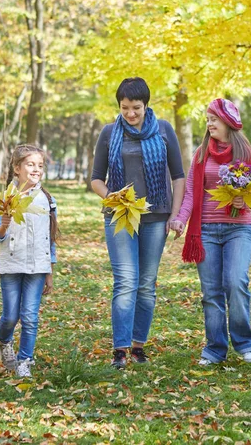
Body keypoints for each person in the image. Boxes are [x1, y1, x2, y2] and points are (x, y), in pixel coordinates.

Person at [91, 77, 185, 368]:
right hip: (120, 217)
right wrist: (113, 197)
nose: (130, 114)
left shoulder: (165, 130)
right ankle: (120, 349)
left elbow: (178, 176)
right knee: (126, 281)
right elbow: (95, 179)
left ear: (146, 105)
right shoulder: (109, 133)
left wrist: (176, 214)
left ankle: (137, 346)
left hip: (156, 217)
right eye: (124, 108)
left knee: (146, 284)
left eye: (136, 107)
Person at [170, 98, 251, 365]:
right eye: (207, 119)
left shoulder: (249, 155)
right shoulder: (201, 155)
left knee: (235, 282)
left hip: (238, 229)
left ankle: (245, 343)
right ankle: (214, 349)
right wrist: (180, 220)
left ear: (229, 122)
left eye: (214, 119)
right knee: (211, 291)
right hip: (205, 230)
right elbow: (189, 194)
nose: (209, 123)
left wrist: (244, 200)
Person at [0, 144, 58, 378]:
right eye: (30, 164)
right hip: (11, 264)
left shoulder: (47, 199)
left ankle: (24, 360)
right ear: (17, 168)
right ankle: (4, 341)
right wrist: (3, 226)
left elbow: (51, 236)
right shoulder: (6, 199)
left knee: (30, 316)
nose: (36, 169)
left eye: (40, 165)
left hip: (38, 267)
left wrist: (49, 269)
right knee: (11, 315)